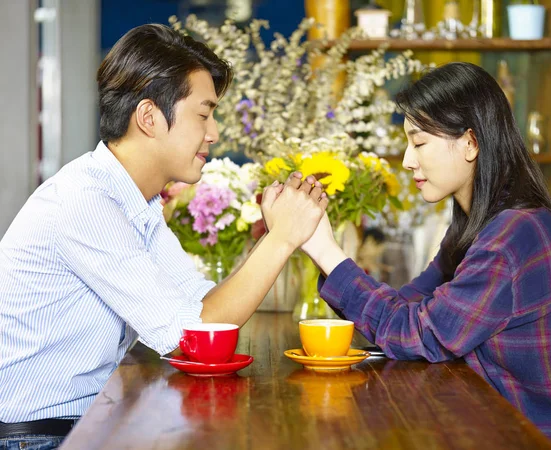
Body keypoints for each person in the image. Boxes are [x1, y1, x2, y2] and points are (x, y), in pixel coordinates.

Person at [0, 24, 327, 449]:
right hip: (39, 438)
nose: (214, 134)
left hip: (87, 423)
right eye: (204, 114)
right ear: (149, 117)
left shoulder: (136, 202)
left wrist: (275, 237)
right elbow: (191, 335)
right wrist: (281, 240)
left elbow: (203, 307)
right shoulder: (85, 201)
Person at [279, 62, 551, 450]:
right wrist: (322, 249)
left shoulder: (513, 235)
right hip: (502, 426)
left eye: (419, 143)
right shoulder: (478, 226)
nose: (408, 161)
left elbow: (417, 333)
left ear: (470, 142)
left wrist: (327, 251)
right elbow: (407, 310)